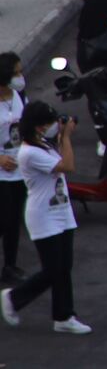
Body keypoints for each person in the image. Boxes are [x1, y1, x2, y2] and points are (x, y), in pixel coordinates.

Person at [0, 100, 86, 333]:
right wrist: (66, 137)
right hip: (43, 216)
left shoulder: (42, 144)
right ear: (39, 127)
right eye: (49, 123)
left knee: (64, 266)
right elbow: (67, 166)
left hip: (60, 211)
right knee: (53, 269)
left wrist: (61, 136)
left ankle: (63, 316)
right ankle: (13, 298)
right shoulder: (29, 153)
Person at [0, 53, 23, 285]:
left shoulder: (16, 96)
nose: (20, 77)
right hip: (1, 171)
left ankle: (10, 265)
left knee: (14, 219)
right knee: (4, 219)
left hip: (18, 169)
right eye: (16, 72)